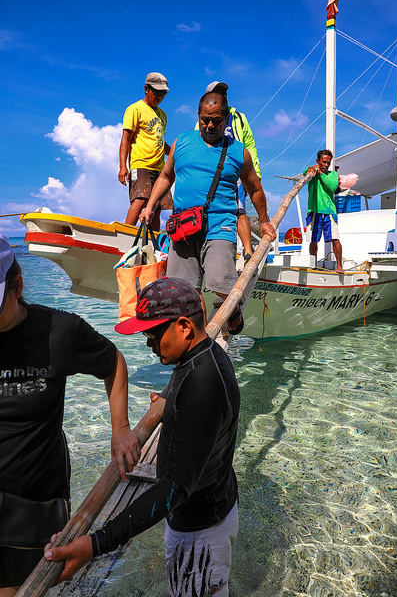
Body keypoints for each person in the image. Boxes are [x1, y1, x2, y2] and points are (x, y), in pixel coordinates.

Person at [45, 277, 241, 597]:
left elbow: (173, 489)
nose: (149, 345)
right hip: (214, 506)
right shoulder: (205, 357)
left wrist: (95, 544)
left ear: (183, 327)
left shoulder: (201, 385)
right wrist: (169, 402)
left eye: (152, 334)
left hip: (199, 534)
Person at [0, 234, 140, 596]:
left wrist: (121, 428)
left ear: (17, 287)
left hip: (36, 504)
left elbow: (113, 362)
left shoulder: (59, 331)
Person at [143, 91, 276, 335]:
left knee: (220, 281)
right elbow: (165, 176)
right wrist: (149, 206)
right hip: (182, 227)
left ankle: (232, 309)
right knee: (182, 293)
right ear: (198, 116)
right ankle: (198, 339)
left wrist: (265, 222)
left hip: (220, 226)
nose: (210, 125)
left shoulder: (238, 151)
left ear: (226, 118)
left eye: (216, 120)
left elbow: (255, 189)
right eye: (205, 119)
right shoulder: (181, 142)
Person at [196, 81, 262, 263]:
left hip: (236, 171)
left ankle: (248, 251)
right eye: (216, 92)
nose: (221, 95)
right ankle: (208, 250)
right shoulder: (203, 120)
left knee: (239, 209)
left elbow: (249, 144)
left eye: (223, 92)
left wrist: (255, 171)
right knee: (211, 210)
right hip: (213, 172)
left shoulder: (239, 117)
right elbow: (198, 145)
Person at [118, 72, 173, 229]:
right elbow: (126, 138)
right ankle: (126, 233)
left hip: (159, 168)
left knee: (156, 205)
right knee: (141, 198)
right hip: (141, 164)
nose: (160, 96)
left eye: (163, 93)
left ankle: (152, 241)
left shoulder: (162, 115)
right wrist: (123, 166)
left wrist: (175, 154)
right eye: (157, 92)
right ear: (146, 89)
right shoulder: (135, 109)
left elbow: (160, 141)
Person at [304, 149, 344, 273]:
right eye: (323, 162)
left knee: (335, 239)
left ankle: (339, 266)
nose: (326, 165)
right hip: (314, 211)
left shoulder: (333, 175)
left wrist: (320, 173)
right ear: (318, 161)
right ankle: (313, 265)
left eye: (328, 162)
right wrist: (311, 168)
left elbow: (332, 187)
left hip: (329, 211)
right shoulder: (312, 172)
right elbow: (306, 172)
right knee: (313, 240)